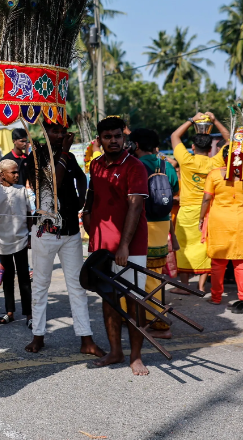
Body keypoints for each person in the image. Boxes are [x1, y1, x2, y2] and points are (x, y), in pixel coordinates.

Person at [25, 121, 102, 356]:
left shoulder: (68, 158)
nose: (60, 135)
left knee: (77, 286)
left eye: (62, 131)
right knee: (40, 286)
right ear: (45, 133)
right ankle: (38, 336)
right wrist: (66, 152)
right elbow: (51, 185)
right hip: (45, 233)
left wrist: (82, 201)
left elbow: (82, 178)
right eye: (54, 131)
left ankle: (86, 339)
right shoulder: (35, 157)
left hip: (71, 233)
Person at [83, 116, 151, 376]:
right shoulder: (96, 165)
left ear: (124, 138)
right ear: (99, 140)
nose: (113, 141)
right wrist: (88, 219)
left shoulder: (135, 166)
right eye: (108, 137)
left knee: (134, 300)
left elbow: (135, 206)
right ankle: (115, 351)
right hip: (101, 244)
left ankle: (136, 357)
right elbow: (92, 197)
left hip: (131, 245)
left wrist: (124, 245)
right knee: (108, 299)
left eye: (117, 136)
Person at [169, 113, 229, 294]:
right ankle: (202, 286)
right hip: (209, 210)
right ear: (211, 149)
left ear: (193, 147)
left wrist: (191, 120)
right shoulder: (215, 161)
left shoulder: (186, 160)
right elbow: (230, 139)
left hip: (187, 210)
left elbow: (174, 136)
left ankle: (185, 286)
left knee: (185, 248)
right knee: (204, 247)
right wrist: (215, 120)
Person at [128, 128, 178, 339]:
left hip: (141, 225)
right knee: (153, 274)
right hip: (162, 225)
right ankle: (135, 315)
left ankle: (159, 323)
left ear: (136, 145)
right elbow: (171, 195)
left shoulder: (135, 166)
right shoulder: (167, 166)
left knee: (141, 274)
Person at [199, 145, 243, 313]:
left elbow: (206, 199)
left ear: (224, 158)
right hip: (242, 221)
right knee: (242, 262)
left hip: (220, 221)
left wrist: (200, 218)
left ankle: (216, 297)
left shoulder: (214, 174)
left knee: (218, 261)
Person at [0, 159, 32, 325]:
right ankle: (9, 312)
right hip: (2, 241)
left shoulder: (22, 191)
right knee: (7, 279)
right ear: (2, 175)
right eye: (12, 172)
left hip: (20, 239)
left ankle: (29, 315)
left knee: (24, 278)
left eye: (17, 172)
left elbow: (29, 215)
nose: (16, 175)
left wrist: (29, 236)